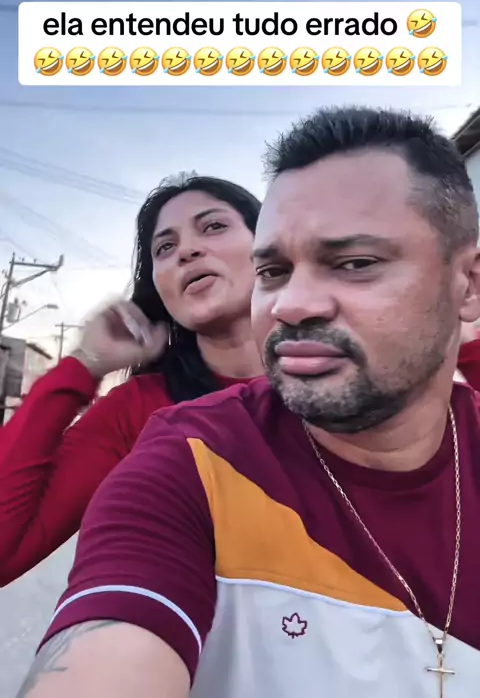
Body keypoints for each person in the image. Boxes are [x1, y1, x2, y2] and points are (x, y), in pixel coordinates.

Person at [18, 106, 480, 698]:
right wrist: (81, 366)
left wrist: (449, 331)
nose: (294, 303)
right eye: (276, 270)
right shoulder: (176, 446)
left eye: (354, 263)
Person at [0, 174, 263, 586]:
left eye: (213, 226)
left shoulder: (343, 380)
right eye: (165, 248)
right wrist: (84, 364)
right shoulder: (139, 410)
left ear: (269, 245)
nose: (187, 251)